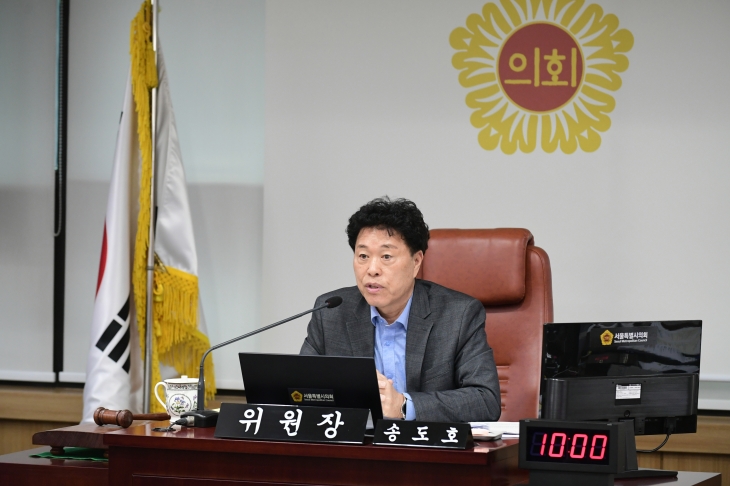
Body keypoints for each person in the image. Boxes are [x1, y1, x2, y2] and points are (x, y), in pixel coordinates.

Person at [300, 197, 501, 422]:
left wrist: (404, 406)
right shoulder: (330, 312)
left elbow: (485, 400)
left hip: (425, 442)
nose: (372, 269)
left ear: (416, 262)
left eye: (386, 256)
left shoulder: (458, 315)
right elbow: (300, 391)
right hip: (357, 441)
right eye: (363, 256)